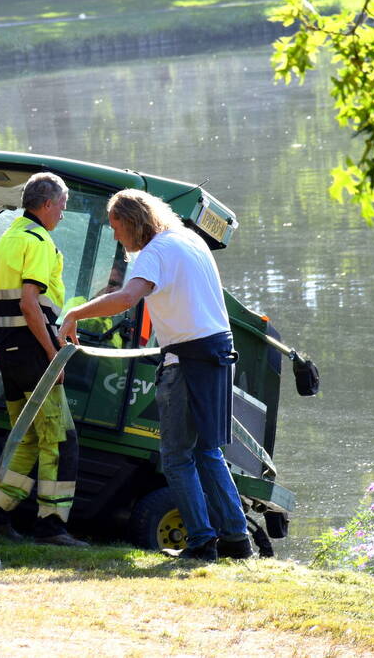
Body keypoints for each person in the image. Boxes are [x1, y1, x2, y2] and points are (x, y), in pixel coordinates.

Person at [58, 189, 252, 561]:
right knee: (207, 451)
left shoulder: (155, 252)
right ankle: (236, 539)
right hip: (218, 354)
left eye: (116, 227)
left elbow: (127, 298)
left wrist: (75, 314)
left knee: (176, 457)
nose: (116, 236)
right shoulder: (190, 240)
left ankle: (201, 541)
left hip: (187, 362)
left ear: (132, 222)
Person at [0, 172, 87, 547]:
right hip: (34, 351)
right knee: (61, 440)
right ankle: (51, 526)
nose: (63, 214)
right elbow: (29, 304)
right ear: (47, 204)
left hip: (10, 351)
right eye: (62, 206)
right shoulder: (38, 241)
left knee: (28, 439)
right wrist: (54, 356)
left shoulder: (10, 236)